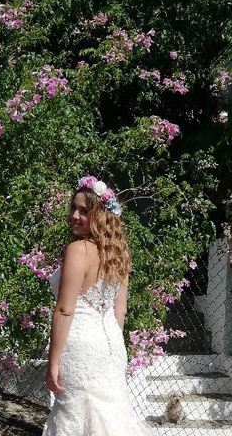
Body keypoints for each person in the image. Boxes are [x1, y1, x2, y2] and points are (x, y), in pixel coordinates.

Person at [43, 176, 155, 436]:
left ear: (100, 215)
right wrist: (111, 350)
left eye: (84, 211)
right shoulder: (120, 253)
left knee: (75, 418)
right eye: (73, 208)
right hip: (112, 346)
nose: (74, 216)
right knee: (112, 418)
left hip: (80, 345)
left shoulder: (77, 250)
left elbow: (64, 310)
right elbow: (120, 310)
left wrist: (53, 361)